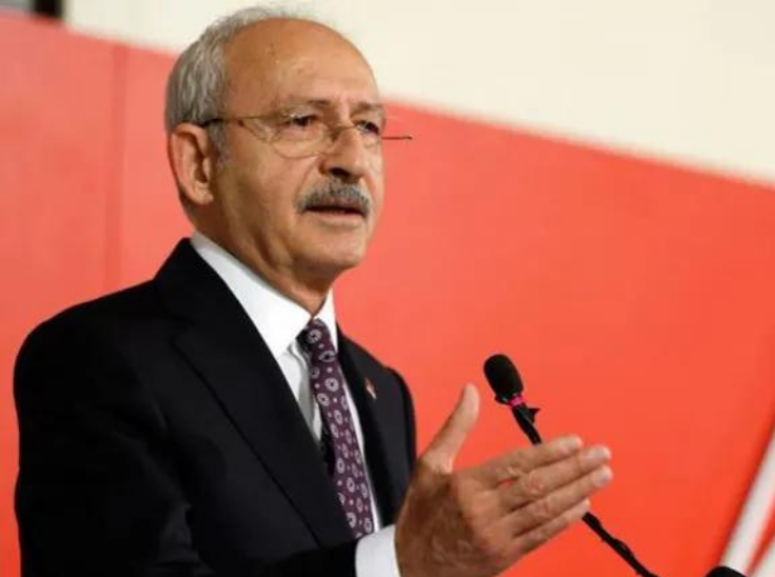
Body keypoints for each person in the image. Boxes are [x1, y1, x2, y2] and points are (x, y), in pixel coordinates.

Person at [13, 6, 613, 577]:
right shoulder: (97, 359)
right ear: (199, 163)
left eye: (369, 127)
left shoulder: (381, 391)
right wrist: (402, 563)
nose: (352, 159)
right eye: (302, 121)